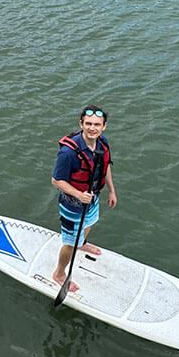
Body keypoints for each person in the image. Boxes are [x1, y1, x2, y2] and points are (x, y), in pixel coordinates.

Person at [50, 105, 117, 294]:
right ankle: (59, 273)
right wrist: (79, 195)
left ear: (104, 126)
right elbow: (56, 180)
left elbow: (105, 167)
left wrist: (112, 190)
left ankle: (82, 243)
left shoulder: (102, 143)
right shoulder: (68, 152)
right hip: (73, 204)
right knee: (69, 243)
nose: (92, 128)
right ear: (81, 124)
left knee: (90, 222)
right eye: (88, 124)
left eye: (97, 124)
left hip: (92, 197)